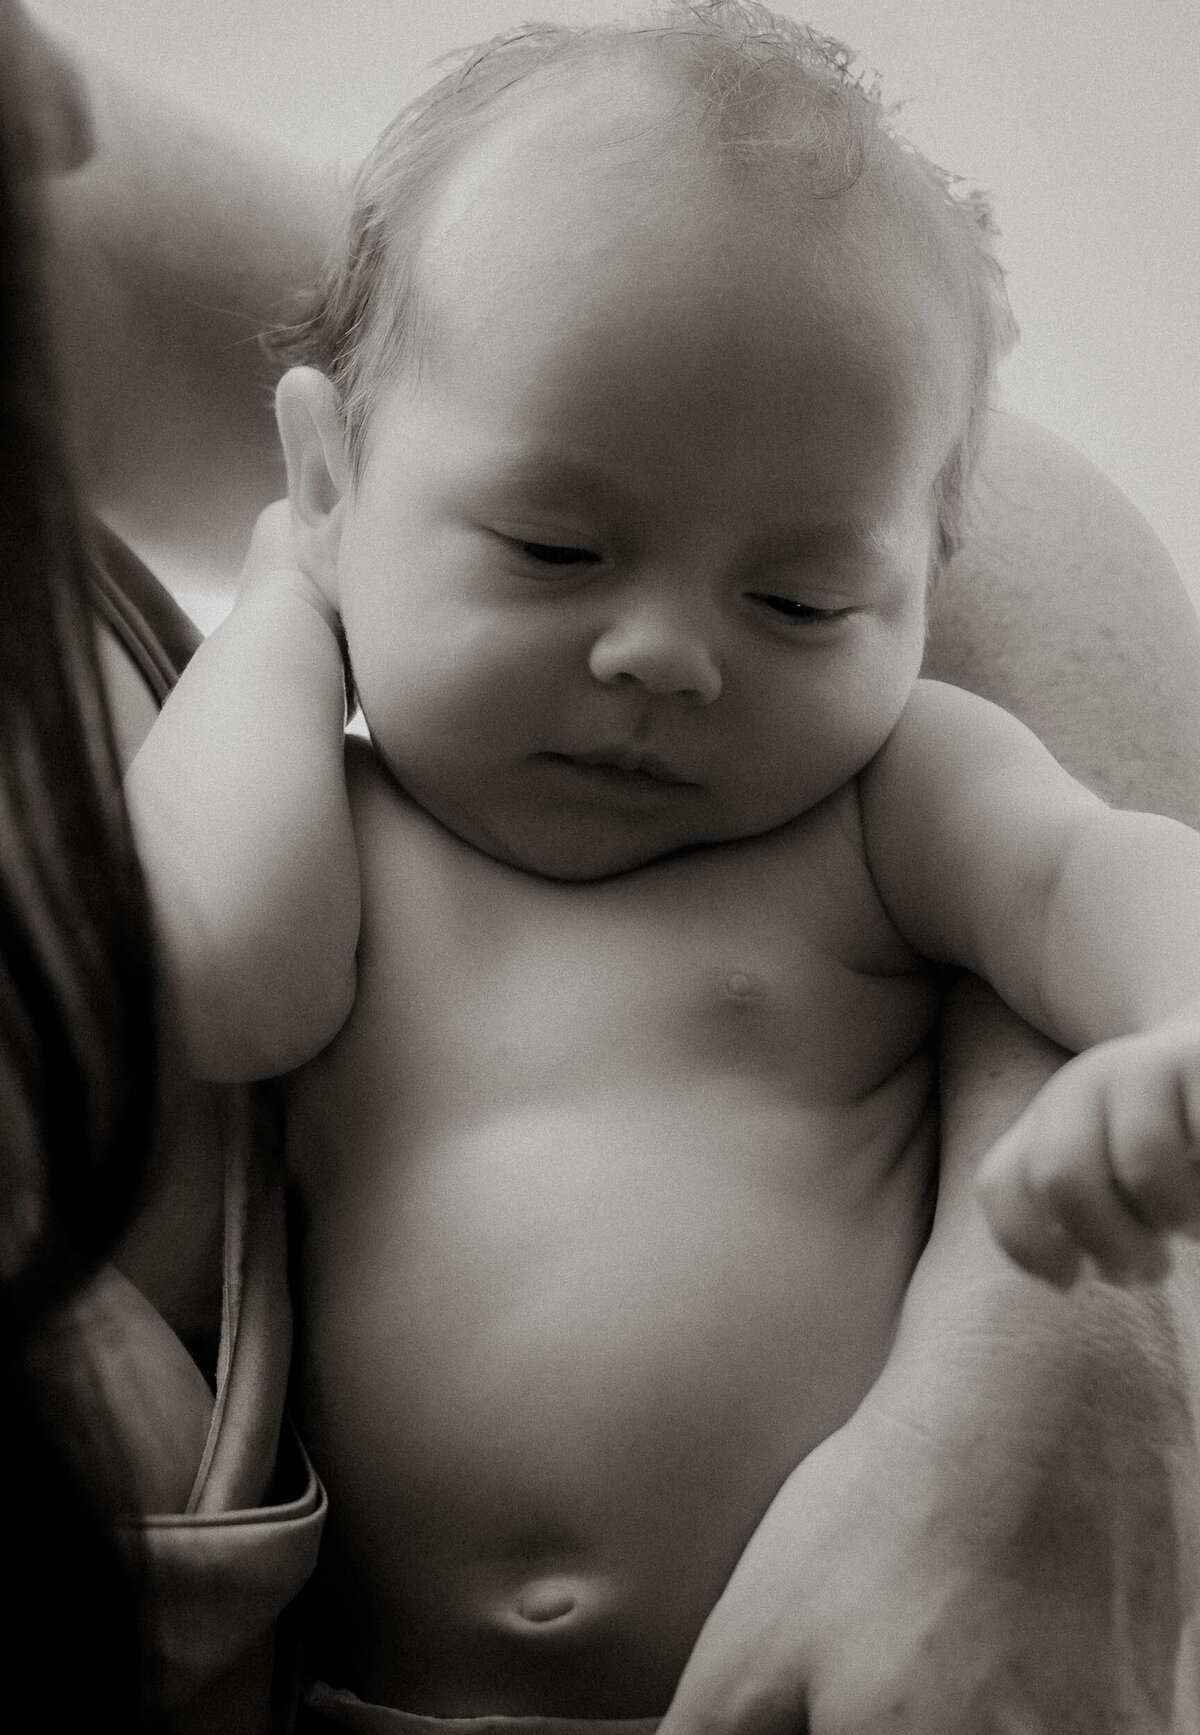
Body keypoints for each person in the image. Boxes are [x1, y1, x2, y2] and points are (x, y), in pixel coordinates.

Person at [123, 5, 1200, 1727]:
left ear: (928, 575)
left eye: (801, 602)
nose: (665, 656)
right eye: (554, 549)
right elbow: (220, 978)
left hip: (852, 1679)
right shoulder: (337, 816)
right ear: (329, 477)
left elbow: (1095, 871)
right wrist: (288, 611)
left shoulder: (880, 804)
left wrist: (1176, 1026)